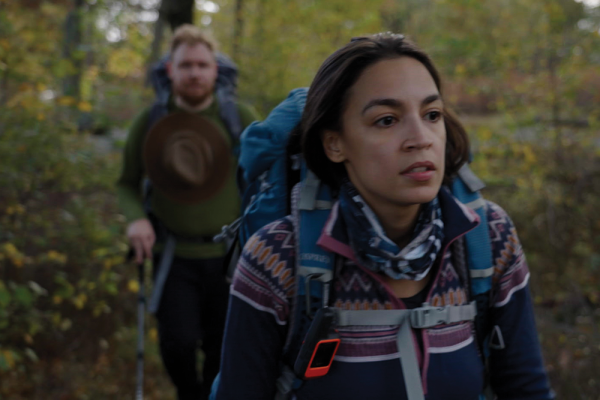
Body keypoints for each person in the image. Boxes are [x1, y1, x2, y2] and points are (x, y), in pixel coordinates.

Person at [214, 33, 554, 399]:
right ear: (335, 143)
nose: (420, 138)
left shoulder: (488, 236)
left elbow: (526, 388)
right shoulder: (278, 256)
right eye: (387, 120)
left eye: (432, 115)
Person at [116, 24, 259, 400]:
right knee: (177, 345)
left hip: (231, 259)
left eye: (202, 64)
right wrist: (136, 219)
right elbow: (126, 182)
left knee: (223, 348)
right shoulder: (149, 123)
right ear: (170, 70)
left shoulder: (239, 117)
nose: (195, 73)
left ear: (215, 70)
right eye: (186, 65)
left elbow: (268, 177)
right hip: (172, 256)